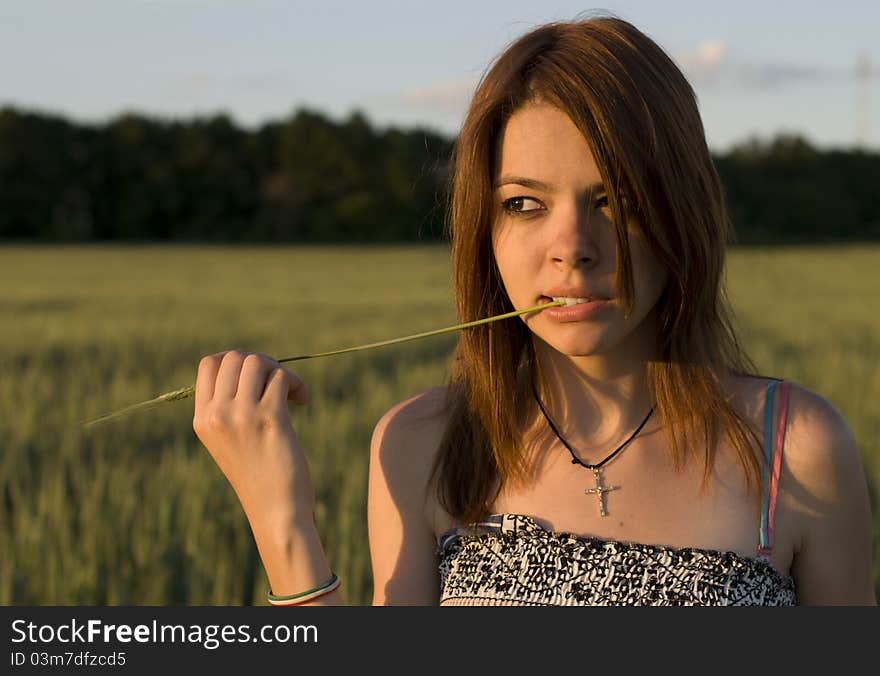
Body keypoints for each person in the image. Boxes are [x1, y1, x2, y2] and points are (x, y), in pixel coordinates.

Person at [192, 15, 876, 606]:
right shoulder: (424, 445)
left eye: (617, 200)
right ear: (484, 231)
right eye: (525, 204)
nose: (572, 249)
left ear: (682, 211)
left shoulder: (794, 449)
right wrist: (282, 522)